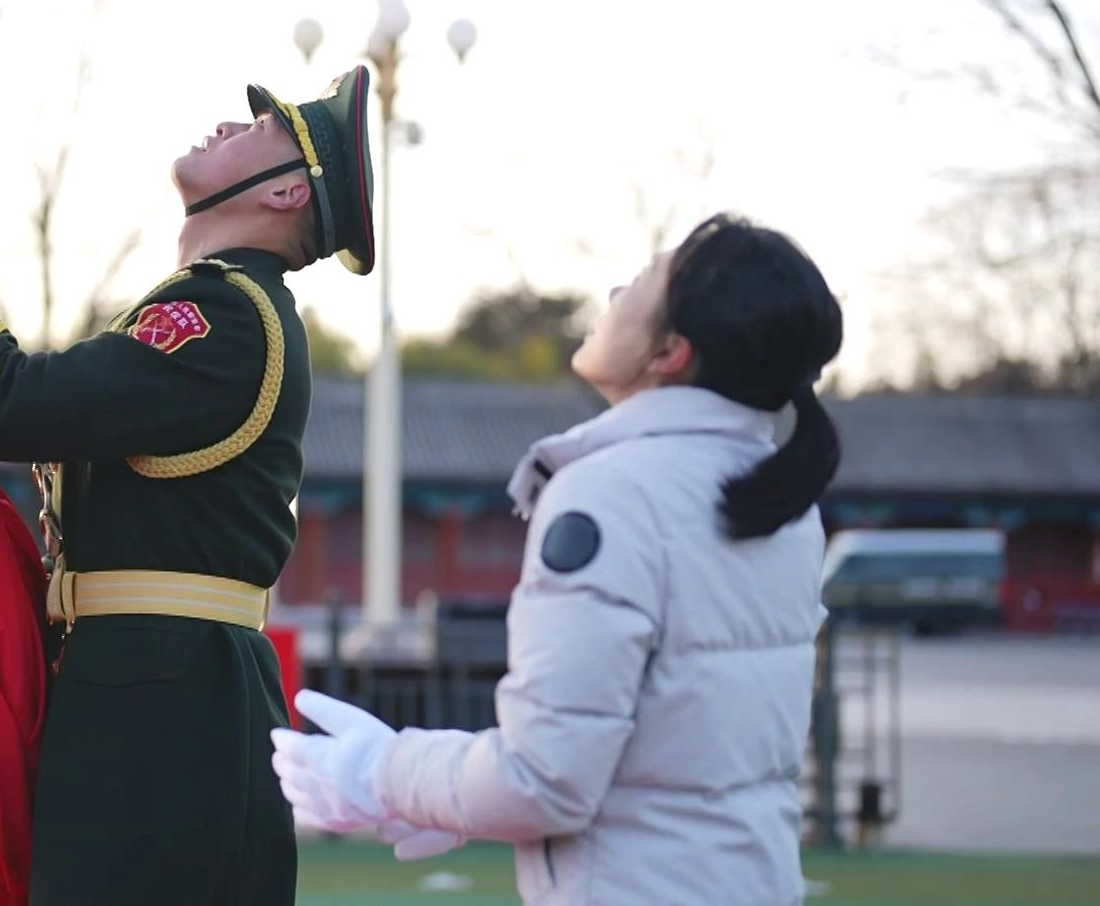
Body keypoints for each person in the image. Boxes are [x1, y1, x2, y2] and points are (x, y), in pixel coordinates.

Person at [0, 65, 380, 904]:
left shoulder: (223, 318)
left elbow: (13, 405)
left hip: (166, 708)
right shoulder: (205, 309)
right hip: (149, 690)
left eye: (264, 130)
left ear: (289, 191)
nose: (231, 126)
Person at [271, 214, 844, 906]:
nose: (612, 292)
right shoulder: (779, 501)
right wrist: (446, 798)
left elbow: (544, 784)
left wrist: (382, 771)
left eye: (639, 284)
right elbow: (672, 750)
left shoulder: (612, 492)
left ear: (670, 353)